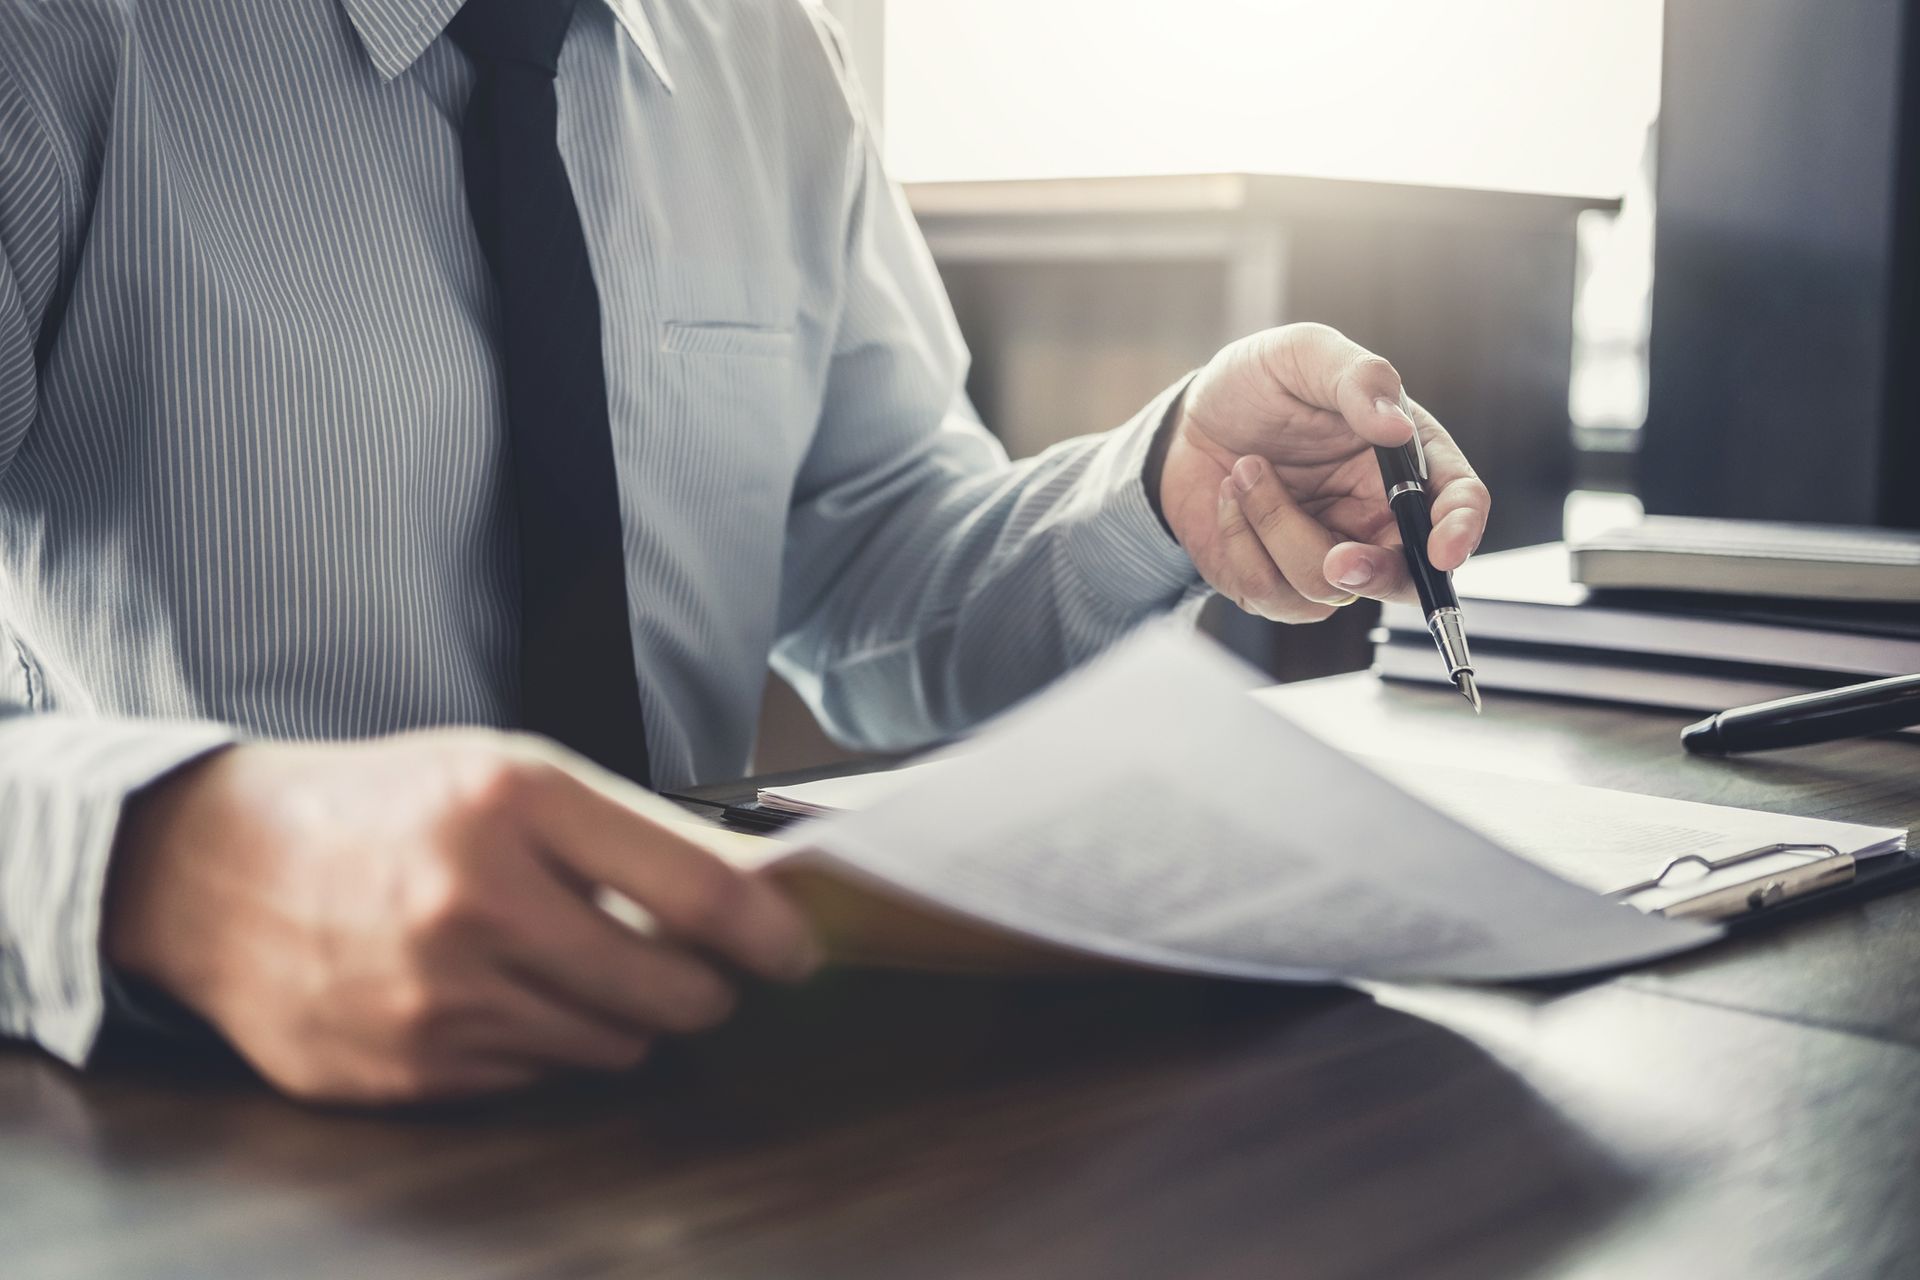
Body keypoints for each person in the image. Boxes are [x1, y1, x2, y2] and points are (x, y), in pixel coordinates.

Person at [0, 0, 1490, 1104]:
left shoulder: (768, 50)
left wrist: (1168, 483)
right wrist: (162, 862)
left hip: (704, 1084)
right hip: (180, 1105)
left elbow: (879, 578)